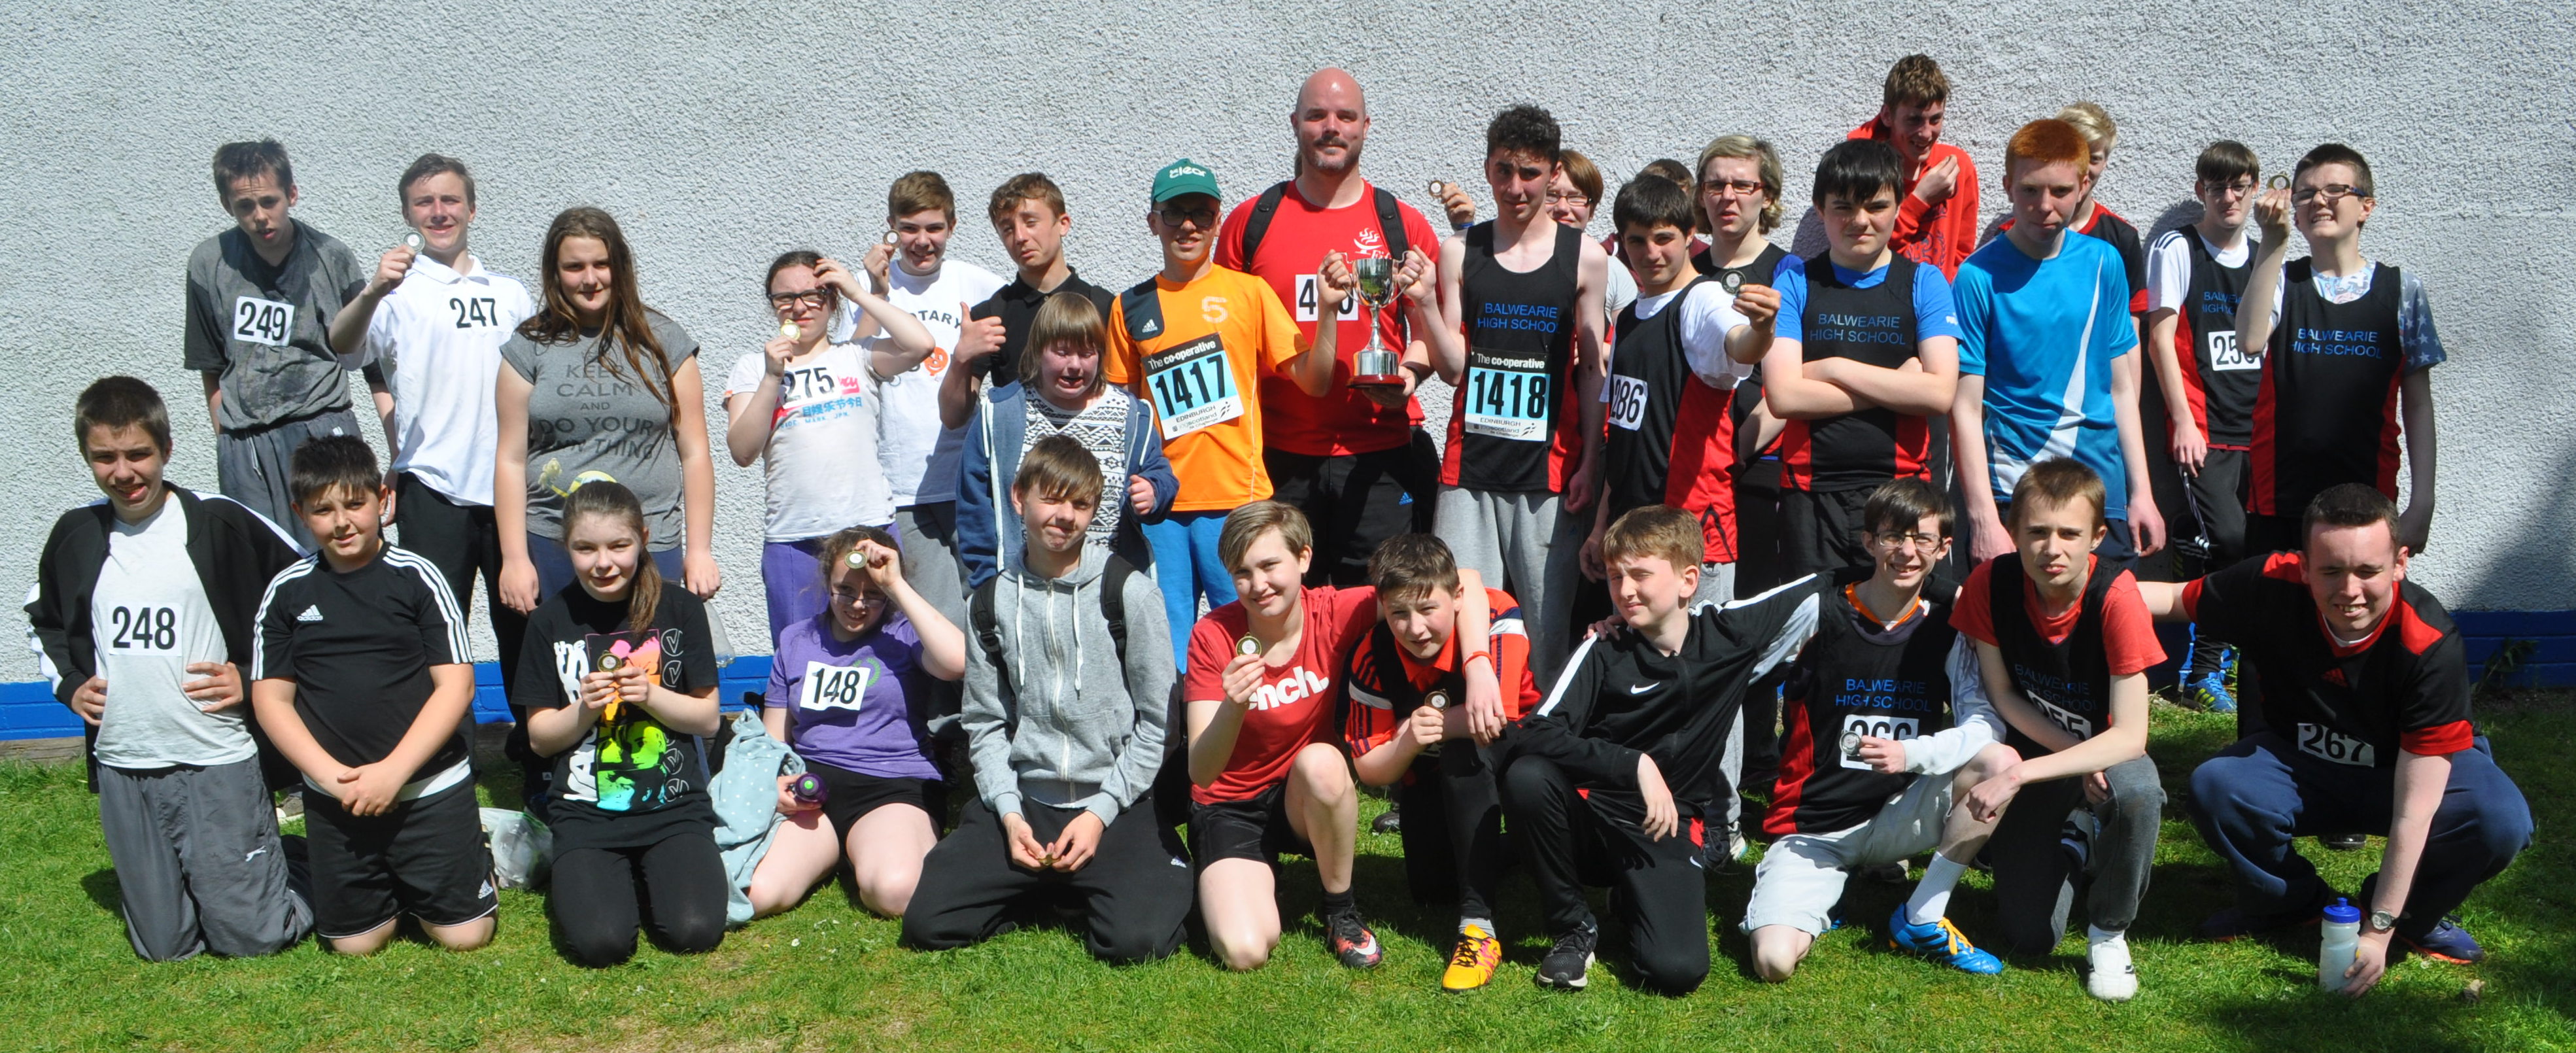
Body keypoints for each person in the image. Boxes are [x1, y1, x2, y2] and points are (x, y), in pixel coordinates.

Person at [2137, 484, 2530, 994]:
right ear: (2302, 566)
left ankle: (2411, 915)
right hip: (2305, 767)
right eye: (2330, 571)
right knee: (2218, 787)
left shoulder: (2429, 643)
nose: (2349, 590)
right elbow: (2170, 598)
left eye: (2367, 571)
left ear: (2398, 564)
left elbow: (2414, 810)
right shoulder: (2269, 583)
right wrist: (2076, 586)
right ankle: (2288, 903)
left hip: (2404, 775)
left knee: (2499, 819)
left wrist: (2378, 929)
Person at [26, 377, 313, 961]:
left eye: (138, 454)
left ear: (166, 450)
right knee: (165, 948)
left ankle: (319, 864)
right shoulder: (77, 534)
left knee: (253, 938)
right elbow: (43, 618)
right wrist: (69, 683)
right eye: (104, 457)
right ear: (87, 457)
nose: (123, 472)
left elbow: (312, 601)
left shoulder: (220, 522)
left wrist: (255, 674)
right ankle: (224, 876)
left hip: (216, 755)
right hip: (125, 764)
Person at [1503, 504, 1817, 995]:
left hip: (1667, 825)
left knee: (1675, 971)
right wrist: (1634, 765)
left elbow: (1824, 586)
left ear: (1688, 580)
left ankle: (1629, 899)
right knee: (1527, 776)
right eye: (1614, 577)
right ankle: (1572, 928)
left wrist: (1954, 590)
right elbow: (1535, 732)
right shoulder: (1603, 648)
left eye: (1641, 575)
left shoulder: (1729, 633)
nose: (1625, 591)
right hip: (1592, 816)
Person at [901, 438, 1190, 963]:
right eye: (1051, 499)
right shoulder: (989, 603)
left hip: (1113, 798)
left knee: (1136, 942)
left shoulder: (1128, 593)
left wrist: (1101, 813)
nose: (1064, 517)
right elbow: (985, 723)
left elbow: (1157, 725)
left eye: (1080, 505)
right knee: (929, 921)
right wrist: (1009, 815)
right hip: (1028, 800)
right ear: (1019, 498)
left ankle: (1096, 875)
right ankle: (1052, 884)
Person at [1184, 501, 1496, 971]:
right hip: (1232, 806)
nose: (1258, 585)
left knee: (1323, 762)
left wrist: (1478, 667)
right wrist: (1234, 704)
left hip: (1306, 795)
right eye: (1242, 573)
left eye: (1270, 565)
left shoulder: (1332, 610)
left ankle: (1339, 911)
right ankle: (1254, 881)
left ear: (1303, 559)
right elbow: (1201, 771)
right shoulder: (1212, 635)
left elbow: (1466, 581)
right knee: (1245, 950)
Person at [1742, 478, 2019, 983]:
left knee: (2000, 762)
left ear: (1943, 548)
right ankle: (1823, 892)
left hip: (1900, 816)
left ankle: (1922, 915)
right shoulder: (1819, 608)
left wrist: (1911, 754)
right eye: (1893, 537)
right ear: (1869, 542)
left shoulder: (1950, 625)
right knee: (1772, 962)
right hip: (1815, 827)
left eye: (1922, 540)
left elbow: (1984, 723)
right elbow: (1727, 641)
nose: (1907, 552)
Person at [249, 436, 492, 956]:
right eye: (323, 510)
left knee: (464, 936)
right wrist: (334, 780)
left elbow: (458, 685)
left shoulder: (419, 578)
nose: (342, 522)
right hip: (339, 799)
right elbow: (271, 701)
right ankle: (312, 860)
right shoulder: (286, 592)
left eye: (355, 504)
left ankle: (467, 855)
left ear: (383, 500)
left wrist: (393, 772)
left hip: (426, 787)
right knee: (356, 946)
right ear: (300, 513)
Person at [1101, 158, 1345, 670]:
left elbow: (1314, 380)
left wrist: (1326, 311)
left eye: (1201, 213)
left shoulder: (1248, 292)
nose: (1188, 225)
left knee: (1250, 637)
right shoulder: (1130, 307)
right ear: (1152, 221)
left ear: (1218, 221)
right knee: (1168, 646)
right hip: (1161, 506)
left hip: (1238, 500)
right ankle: (1180, 746)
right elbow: (1116, 414)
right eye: (1173, 213)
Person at [1214, 68, 1447, 588]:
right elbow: (1226, 338)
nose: (1330, 127)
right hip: (1278, 457)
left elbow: (1432, 333)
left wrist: (1406, 377)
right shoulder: (1251, 222)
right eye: (1317, 115)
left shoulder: (1400, 223)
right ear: (1295, 123)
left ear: (1366, 125)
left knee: (1379, 608)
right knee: (1283, 611)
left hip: (1379, 457)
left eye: (1344, 116)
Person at [1947, 458, 2164, 1000]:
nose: (2052, 548)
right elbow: (2002, 696)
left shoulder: (2116, 596)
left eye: (2069, 533)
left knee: (2136, 791)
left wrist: (2018, 776)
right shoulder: (1989, 584)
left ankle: (2109, 931)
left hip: (2105, 755)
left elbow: (2131, 736)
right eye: (2037, 532)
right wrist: (2064, 760)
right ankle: (2076, 840)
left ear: (2096, 536)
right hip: (2048, 753)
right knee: (2030, 936)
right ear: (2013, 532)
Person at [325, 154, 537, 692]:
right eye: (425, 203)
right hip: (432, 485)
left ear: (471, 208)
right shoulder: (395, 293)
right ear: (407, 213)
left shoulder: (510, 293)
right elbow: (342, 348)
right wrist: (372, 290)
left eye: (449, 200)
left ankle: (533, 752)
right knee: (438, 629)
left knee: (523, 621)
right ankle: (446, 748)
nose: (438, 212)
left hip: (509, 485)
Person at [1426, 105, 1613, 688]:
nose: (1514, 187)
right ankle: (1463, 745)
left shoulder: (1584, 257)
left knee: (1544, 627)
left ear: (1553, 174)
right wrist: (1421, 306)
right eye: (1503, 171)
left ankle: (1541, 756)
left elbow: (1591, 371)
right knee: (1460, 616)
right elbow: (1453, 369)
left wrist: (1590, 462)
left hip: (1548, 473)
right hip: (1469, 468)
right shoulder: (1459, 252)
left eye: (1529, 173)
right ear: (1486, 168)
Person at [514, 481, 726, 967]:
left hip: (673, 805)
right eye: (584, 548)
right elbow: (541, 740)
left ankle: (654, 870)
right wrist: (583, 709)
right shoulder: (549, 622)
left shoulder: (680, 609)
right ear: (565, 548)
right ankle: (608, 876)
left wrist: (651, 695)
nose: (602, 563)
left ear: (644, 539)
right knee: (601, 944)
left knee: (694, 931)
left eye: (618, 546)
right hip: (586, 813)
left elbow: (708, 717)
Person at [1747, 139, 1963, 579]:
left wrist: (1829, 369)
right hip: (1810, 495)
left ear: (1899, 203)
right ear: (1820, 208)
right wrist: (1899, 386)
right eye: (1843, 207)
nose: (1860, 221)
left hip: (1903, 494)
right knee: (1817, 635)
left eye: (1876, 206)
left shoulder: (1925, 283)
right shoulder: (1794, 283)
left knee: (1902, 636)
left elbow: (1940, 394)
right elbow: (1784, 398)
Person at [1951, 119, 2163, 566]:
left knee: (2101, 631)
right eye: (2029, 190)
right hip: (2014, 491)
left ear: (2084, 185)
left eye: (2060, 191)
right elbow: (1965, 407)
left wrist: (2141, 492)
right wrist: (1983, 518)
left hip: (2098, 488)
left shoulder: (2104, 262)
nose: (2043, 206)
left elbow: (2121, 389)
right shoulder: (1975, 276)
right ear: (2007, 185)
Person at [496, 206, 725, 606]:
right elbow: (510, 459)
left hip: (650, 539)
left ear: (619, 265)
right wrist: (514, 558)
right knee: (563, 667)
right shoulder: (529, 346)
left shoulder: (664, 341)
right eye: (574, 267)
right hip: (555, 541)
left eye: (601, 264)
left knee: (650, 663)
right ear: (555, 272)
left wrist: (700, 550)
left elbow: (695, 452)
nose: (590, 279)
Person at [1343, 533, 1535, 991]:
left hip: (1517, 754)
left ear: (1456, 600)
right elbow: (1369, 768)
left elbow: (1493, 721)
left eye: (1428, 609)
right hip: (1425, 766)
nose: (1415, 628)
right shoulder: (1371, 653)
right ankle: (1513, 850)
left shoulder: (1497, 615)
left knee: (1462, 751)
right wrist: (1407, 739)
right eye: (1399, 614)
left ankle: (1477, 928)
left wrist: (1476, 664)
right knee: (1430, 889)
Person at [2233, 144, 2441, 559]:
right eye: (2305, 193)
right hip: (2282, 500)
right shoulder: (2281, 279)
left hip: (2369, 502)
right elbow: (2250, 340)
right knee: (2278, 619)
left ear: (2366, 206)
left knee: (2357, 617)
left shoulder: (2401, 290)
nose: (2318, 200)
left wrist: (2423, 503)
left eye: (2334, 190)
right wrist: (2272, 241)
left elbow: (2417, 404)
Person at [747, 525, 963, 919]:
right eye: (845, 591)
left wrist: (896, 585)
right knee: (760, 892)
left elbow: (957, 662)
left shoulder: (904, 635)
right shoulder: (796, 640)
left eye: (873, 595)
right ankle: (842, 851)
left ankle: (871, 850)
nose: (858, 605)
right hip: (815, 790)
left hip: (892, 786)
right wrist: (773, 782)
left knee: (894, 893)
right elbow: (774, 736)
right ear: (827, 582)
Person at [721, 249, 933, 640]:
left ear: (831, 299)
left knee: (890, 649)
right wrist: (772, 378)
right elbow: (742, 450)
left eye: (813, 294)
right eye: (785, 298)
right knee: (799, 653)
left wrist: (859, 292)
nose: (799, 308)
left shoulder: (857, 356)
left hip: (869, 530)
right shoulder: (753, 366)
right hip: (794, 541)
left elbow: (921, 344)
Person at [182, 139, 371, 547]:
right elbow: (211, 363)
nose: (260, 217)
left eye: (270, 202)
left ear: (292, 194)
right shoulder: (208, 263)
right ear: (225, 204)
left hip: (323, 426)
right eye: (245, 206)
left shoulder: (332, 256)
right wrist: (227, 437)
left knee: (338, 554)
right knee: (259, 561)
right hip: (246, 440)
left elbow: (364, 356)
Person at [847, 172, 1010, 628]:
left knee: (990, 610)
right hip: (899, 489)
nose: (922, 241)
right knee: (937, 620)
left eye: (934, 228)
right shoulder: (863, 287)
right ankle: (948, 704)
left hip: (970, 482)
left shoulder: (979, 286)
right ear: (890, 228)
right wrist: (874, 294)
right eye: (910, 228)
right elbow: (850, 364)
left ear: (953, 227)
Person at [2144, 141, 2265, 712]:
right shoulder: (2178, 247)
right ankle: (2198, 671)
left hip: (2259, 432)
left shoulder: (2267, 258)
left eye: (2240, 185)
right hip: (2206, 429)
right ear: (2201, 192)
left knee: (2252, 545)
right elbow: (2160, 337)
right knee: (2228, 540)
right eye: (2217, 186)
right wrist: (2183, 421)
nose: (2230, 196)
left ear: (2254, 189)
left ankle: (2227, 665)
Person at [958, 292, 1175, 587]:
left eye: (1087, 354)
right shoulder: (1000, 414)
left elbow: (1160, 473)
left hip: (1108, 589)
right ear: (1038, 351)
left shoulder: (1133, 416)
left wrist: (1155, 492)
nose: (1075, 366)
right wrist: (987, 586)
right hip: (1023, 588)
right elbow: (974, 507)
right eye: (1062, 352)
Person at [942, 173, 1119, 430]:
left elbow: (1125, 399)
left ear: (1063, 224)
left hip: (1091, 459)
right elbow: (952, 418)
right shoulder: (992, 316)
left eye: (1031, 222)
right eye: (1008, 228)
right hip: (1018, 464)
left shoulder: (1104, 307)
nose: (1020, 236)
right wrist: (961, 360)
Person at [1849, 56, 1978, 279]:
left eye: (1935, 120)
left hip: (1935, 305)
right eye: (1914, 120)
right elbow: (1861, 253)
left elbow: (1962, 255)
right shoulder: (1861, 169)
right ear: (1888, 116)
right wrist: (1920, 200)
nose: (1927, 133)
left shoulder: (1956, 167)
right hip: (1880, 304)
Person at [1550, 150, 1638, 319]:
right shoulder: (1514, 263)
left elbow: (1625, 342)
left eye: (1576, 197)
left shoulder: (1613, 271)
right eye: (1551, 195)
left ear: (1591, 211)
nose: (1562, 208)